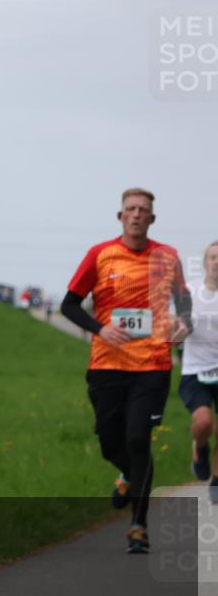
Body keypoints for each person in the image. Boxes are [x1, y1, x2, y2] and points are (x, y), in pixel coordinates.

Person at [60, 188, 192, 553]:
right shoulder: (99, 255)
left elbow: (183, 301)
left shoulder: (168, 257)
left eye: (143, 210)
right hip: (106, 364)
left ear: (152, 219)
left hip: (152, 364)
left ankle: (138, 525)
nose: (136, 214)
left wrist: (184, 323)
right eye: (130, 209)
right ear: (120, 217)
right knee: (109, 439)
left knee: (138, 439)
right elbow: (69, 305)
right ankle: (129, 475)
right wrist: (100, 328)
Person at [180, 241, 218, 502]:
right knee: (204, 422)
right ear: (205, 263)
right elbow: (175, 325)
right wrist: (180, 328)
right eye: (213, 257)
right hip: (196, 371)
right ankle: (200, 446)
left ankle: (216, 478)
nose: (217, 262)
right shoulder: (190, 291)